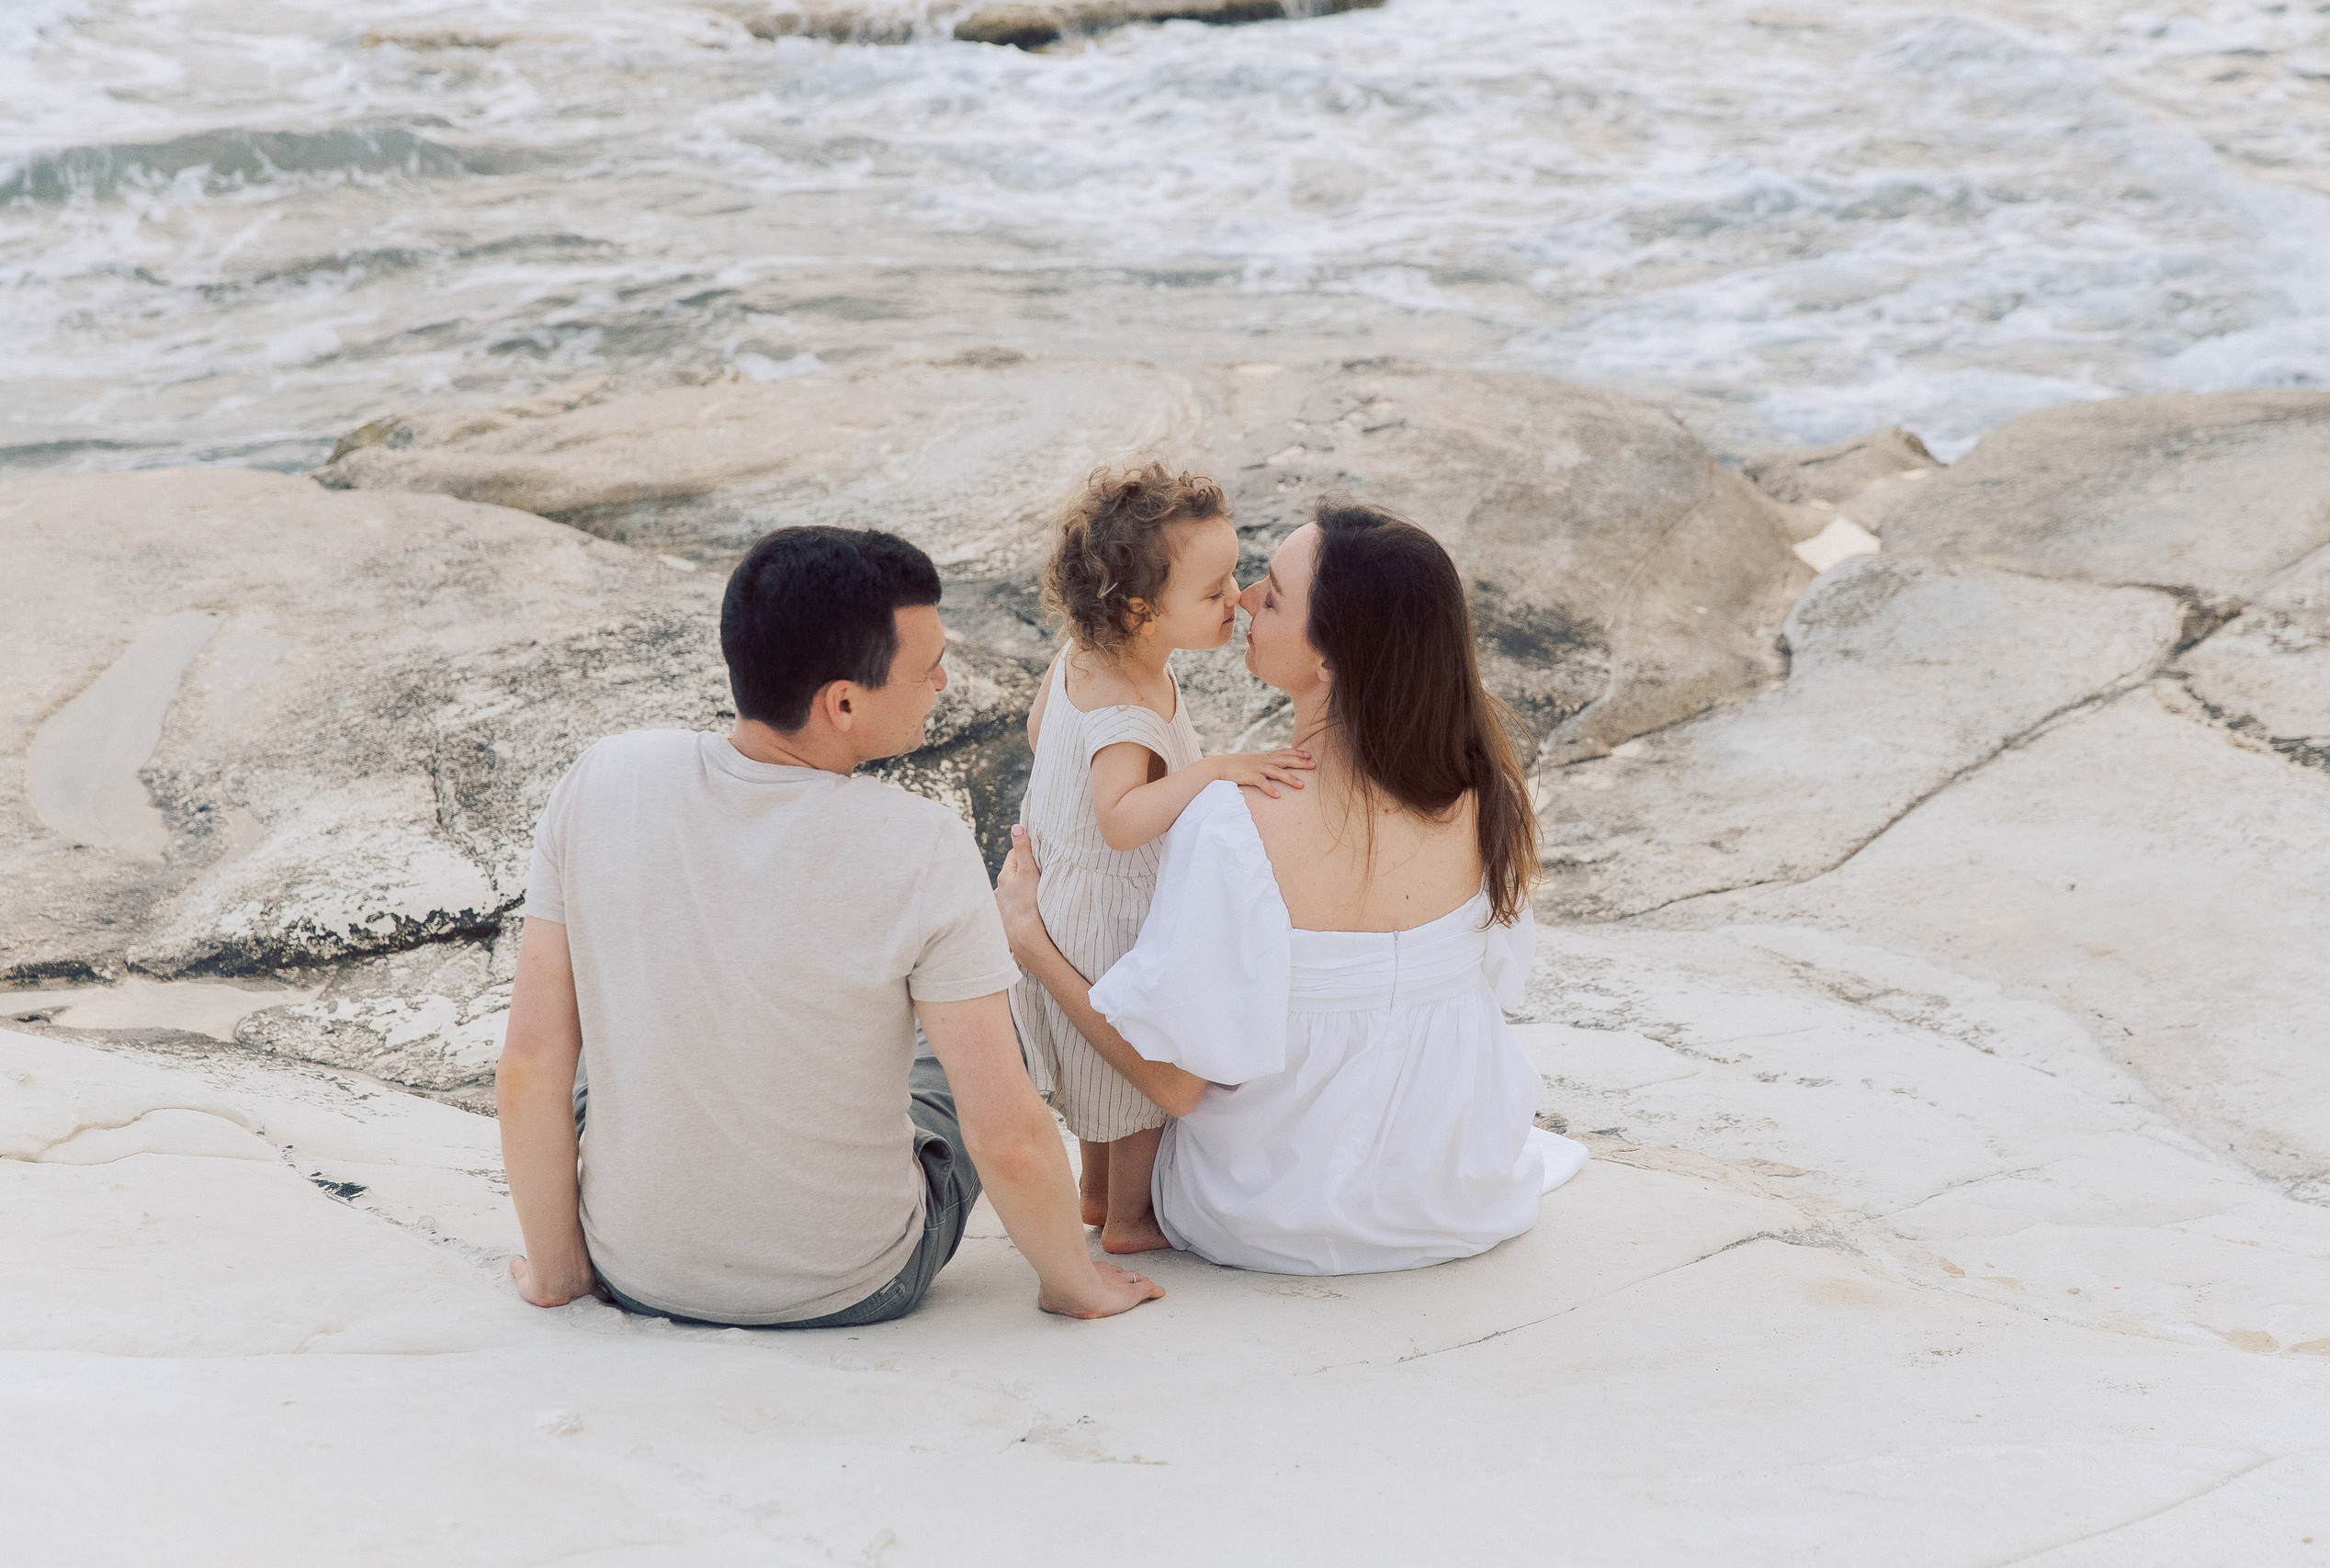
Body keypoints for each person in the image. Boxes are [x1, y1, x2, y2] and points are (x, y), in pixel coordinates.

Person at [497, 525, 1162, 1325]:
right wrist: (1075, 1286)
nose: (945, 681)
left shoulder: (603, 778)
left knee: (587, 1050)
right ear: (842, 703)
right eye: (928, 668)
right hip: (856, 1281)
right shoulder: (922, 844)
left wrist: (561, 1274)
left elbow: (529, 1065)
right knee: (992, 1031)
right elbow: (1007, 1134)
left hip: (638, 1269)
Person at [996, 501, 1587, 1275]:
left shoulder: (1235, 823)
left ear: (1331, 662)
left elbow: (1172, 1086)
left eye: (1270, 595)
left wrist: (1032, 945)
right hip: (1455, 1192)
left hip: (1266, 1211)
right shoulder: (1485, 792)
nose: (1241, 599)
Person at [1012, 464, 1312, 1255]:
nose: (1237, 598)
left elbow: (1043, 735)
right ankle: (1129, 1219)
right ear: (1144, 613)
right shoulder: (1126, 711)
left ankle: (1093, 1189)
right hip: (1109, 904)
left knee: (1095, 1065)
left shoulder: (1086, 652)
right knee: (1133, 1068)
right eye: (1215, 592)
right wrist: (1211, 768)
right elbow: (1119, 819)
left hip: (1068, 894)